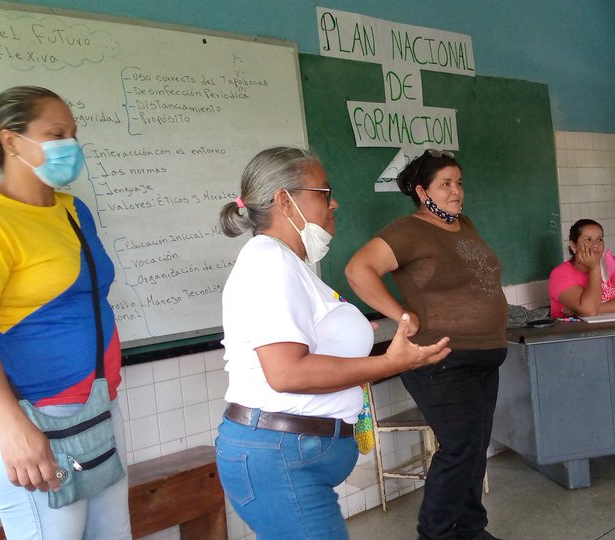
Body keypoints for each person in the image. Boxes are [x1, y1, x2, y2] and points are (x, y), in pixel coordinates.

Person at [215, 147, 451, 538]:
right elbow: (287, 372)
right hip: (280, 454)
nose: (334, 202)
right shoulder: (268, 263)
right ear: (284, 201)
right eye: (324, 193)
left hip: (290, 452)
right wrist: (394, 363)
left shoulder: (289, 263)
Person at [0, 86, 130, 538]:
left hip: (92, 411)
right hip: (30, 425)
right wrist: (13, 428)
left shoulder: (72, 210)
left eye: (73, 134)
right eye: (56, 133)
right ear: (11, 141)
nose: (71, 144)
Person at [345, 150, 507, 540]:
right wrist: (399, 312)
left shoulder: (463, 224)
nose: (456, 191)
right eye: (445, 184)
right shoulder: (408, 230)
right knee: (460, 447)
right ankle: (434, 535)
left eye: (459, 182)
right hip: (440, 359)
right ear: (422, 191)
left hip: (484, 355)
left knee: (473, 447)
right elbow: (357, 269)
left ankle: (470, 529)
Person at [548, 218, 615, 443]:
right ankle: (601, 426)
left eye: (599, 239)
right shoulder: (561, 274)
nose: (595, 246)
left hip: (611, 336)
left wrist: (594, 309)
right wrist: (594, 270)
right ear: (572, 245)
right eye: (587, 240)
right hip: (573, 345)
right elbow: (588, 309)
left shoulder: (611, 261)